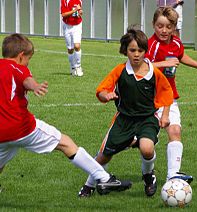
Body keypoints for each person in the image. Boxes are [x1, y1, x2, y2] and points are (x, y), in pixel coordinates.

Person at [0, 33, 132, 197]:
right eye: (28, 59)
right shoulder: (18, 67)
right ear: (20, 56)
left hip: (1, 134)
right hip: (21, 127)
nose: (28, 62)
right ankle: (104, 178)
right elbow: (26, 79)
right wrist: (35, 86)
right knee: (65, 143)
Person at [78, 28, 174, 197]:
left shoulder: (154, 72)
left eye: (140, 50)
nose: (136, 54)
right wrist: (106, 95)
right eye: (132, 50)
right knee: (104, 156)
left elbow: (166, 93)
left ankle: (148, 176)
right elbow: (101, 89)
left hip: (147, 119)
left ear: (146, 51)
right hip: (123, 119)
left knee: (147, 149)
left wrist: (165, 115)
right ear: (125, 51)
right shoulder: (120, 70)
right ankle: (88, 186)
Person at [145, 6, 197, 183]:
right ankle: (147, 173)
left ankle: (173, 175)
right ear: (153, 25)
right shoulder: (151, 44)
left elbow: (181, 56)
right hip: (148, 99)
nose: (164, 30)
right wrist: (164, 63)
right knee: (147, 143)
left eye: (169, 27)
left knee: (175, 131)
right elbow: (142, 67)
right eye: (160, 26)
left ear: (174, 27)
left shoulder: (176, 43)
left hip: (168, 98)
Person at [60, 0, 84, 76]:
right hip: (67, 26)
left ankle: (78, 66)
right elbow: (63, 15)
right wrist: (75, 10)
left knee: (77, 46)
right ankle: (72, 67)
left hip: (77, 25)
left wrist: (80, 12)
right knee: (70, 49)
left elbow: (80, 11)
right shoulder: (64, 1)